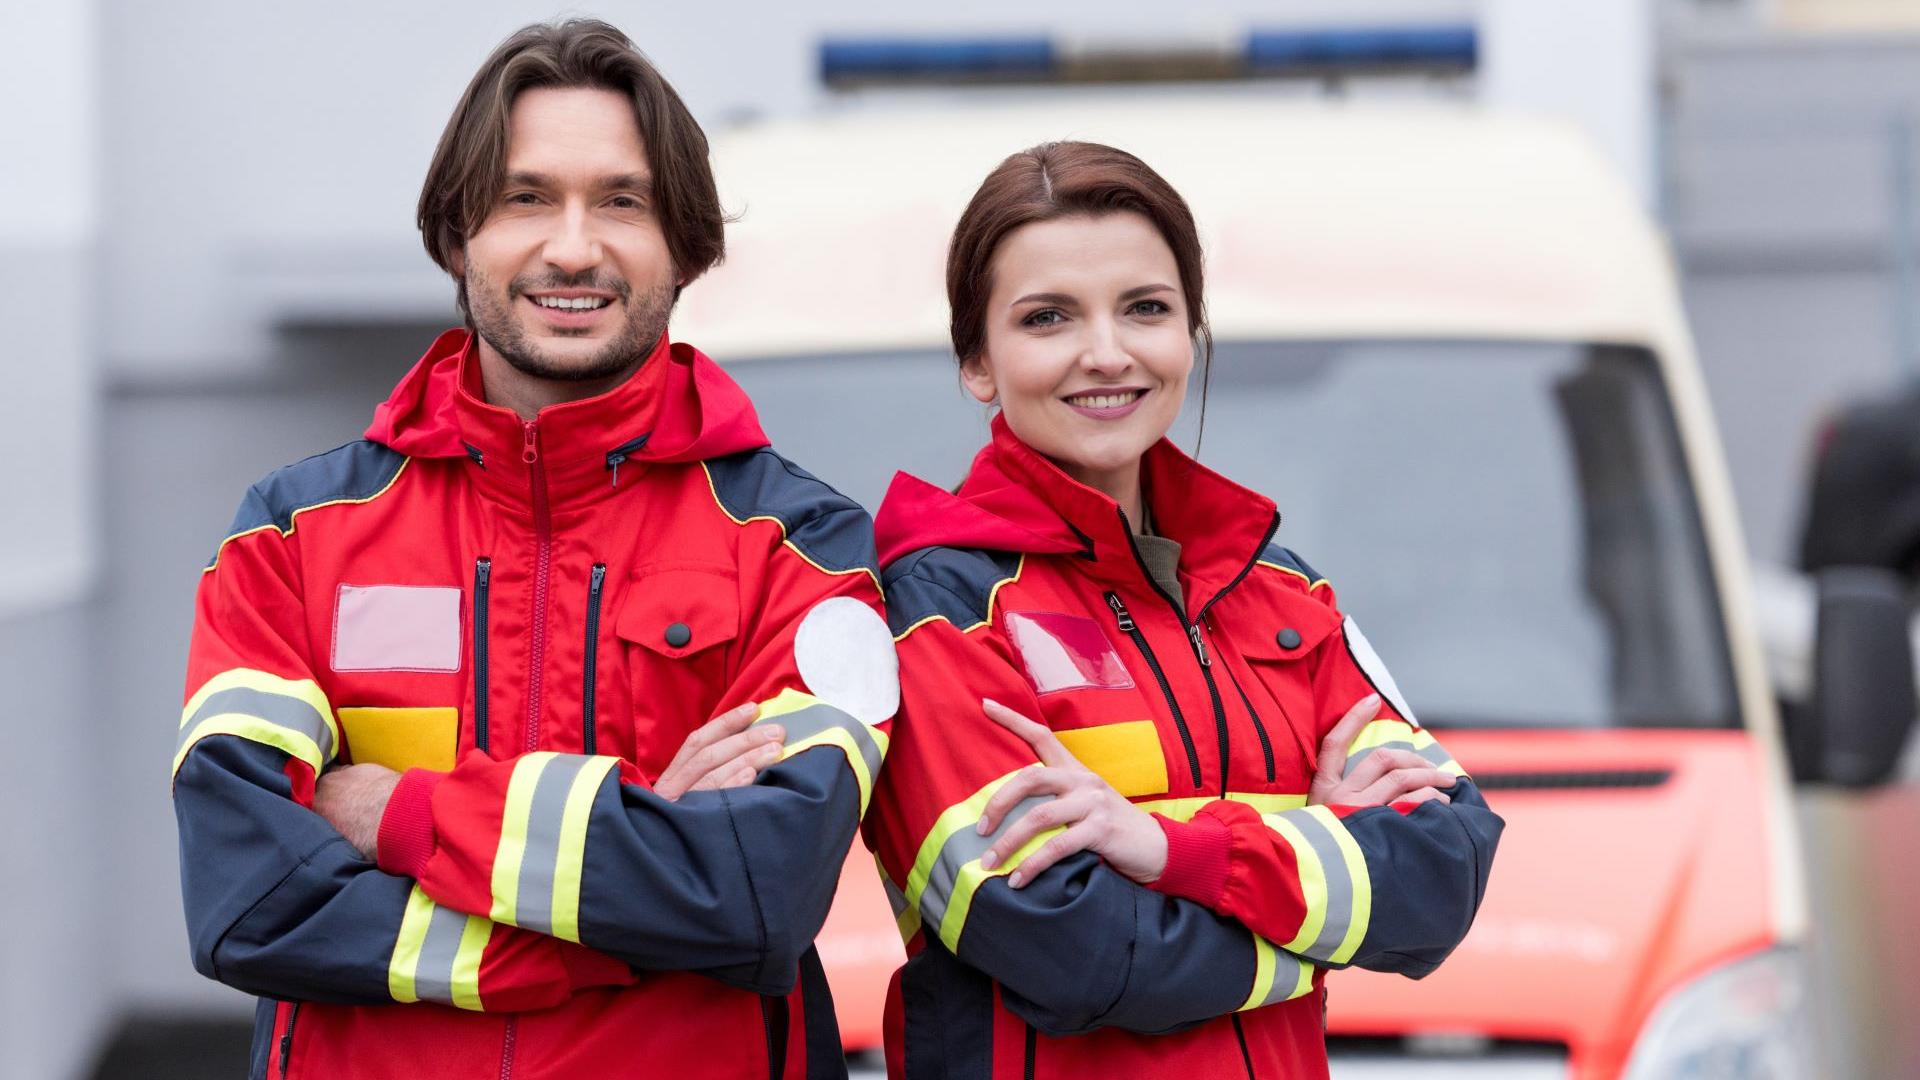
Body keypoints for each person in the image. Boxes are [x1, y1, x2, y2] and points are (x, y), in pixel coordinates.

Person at [172, 20, 893, 1080]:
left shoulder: (808, 548)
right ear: (456, 234)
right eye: (526, 198)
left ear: (686, 243)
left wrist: (399, 813)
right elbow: (248, 905)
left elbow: (758, 896)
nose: (572, 246)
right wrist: (619, 907)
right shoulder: (288, 537)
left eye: (622, 200)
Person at [864, 142, 1503, 1078]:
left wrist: (1169, 851)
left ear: (1190, 336)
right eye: (1048, 318)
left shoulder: (1283, 592)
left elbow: (1444, 871)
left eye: (1146, 309)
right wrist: (1320, 897)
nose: (1107, 353)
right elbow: (1074, 949)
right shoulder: (936, 611)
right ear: (977, 361)